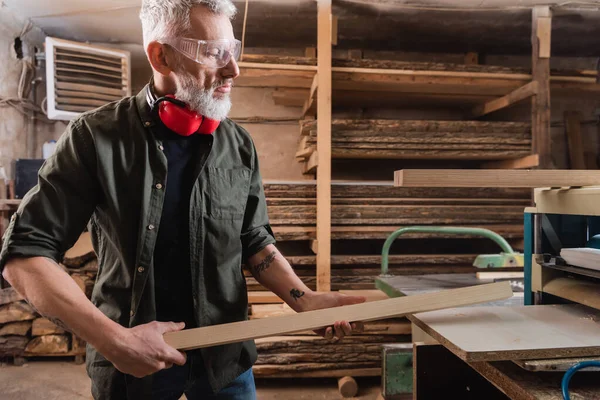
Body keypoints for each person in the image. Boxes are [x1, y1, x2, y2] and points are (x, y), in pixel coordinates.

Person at [0, 0, 366, 399]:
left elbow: (254, 239)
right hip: (133, 366)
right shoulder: (95, 138)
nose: (233, 69)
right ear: (160, 55)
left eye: (233, 50)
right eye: (213, 53)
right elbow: (25, 255)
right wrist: (114, 340)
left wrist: (305, 299)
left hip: (223, 360)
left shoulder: (237, 144)